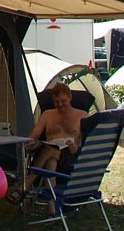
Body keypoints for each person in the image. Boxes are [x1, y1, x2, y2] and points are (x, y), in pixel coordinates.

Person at [5, 82, 90, 214]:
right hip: (48, 156)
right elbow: (33, 136)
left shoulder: (82, 115)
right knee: (51, 159)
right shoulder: (47, 115)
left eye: (63, 101)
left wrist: (76, 148)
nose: (60, 104)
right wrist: (32, 144)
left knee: (50, 153)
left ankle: (24, 187)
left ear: (70, 97)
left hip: (70, 157)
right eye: (56, 102)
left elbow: (87, 142)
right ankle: (52, 208)